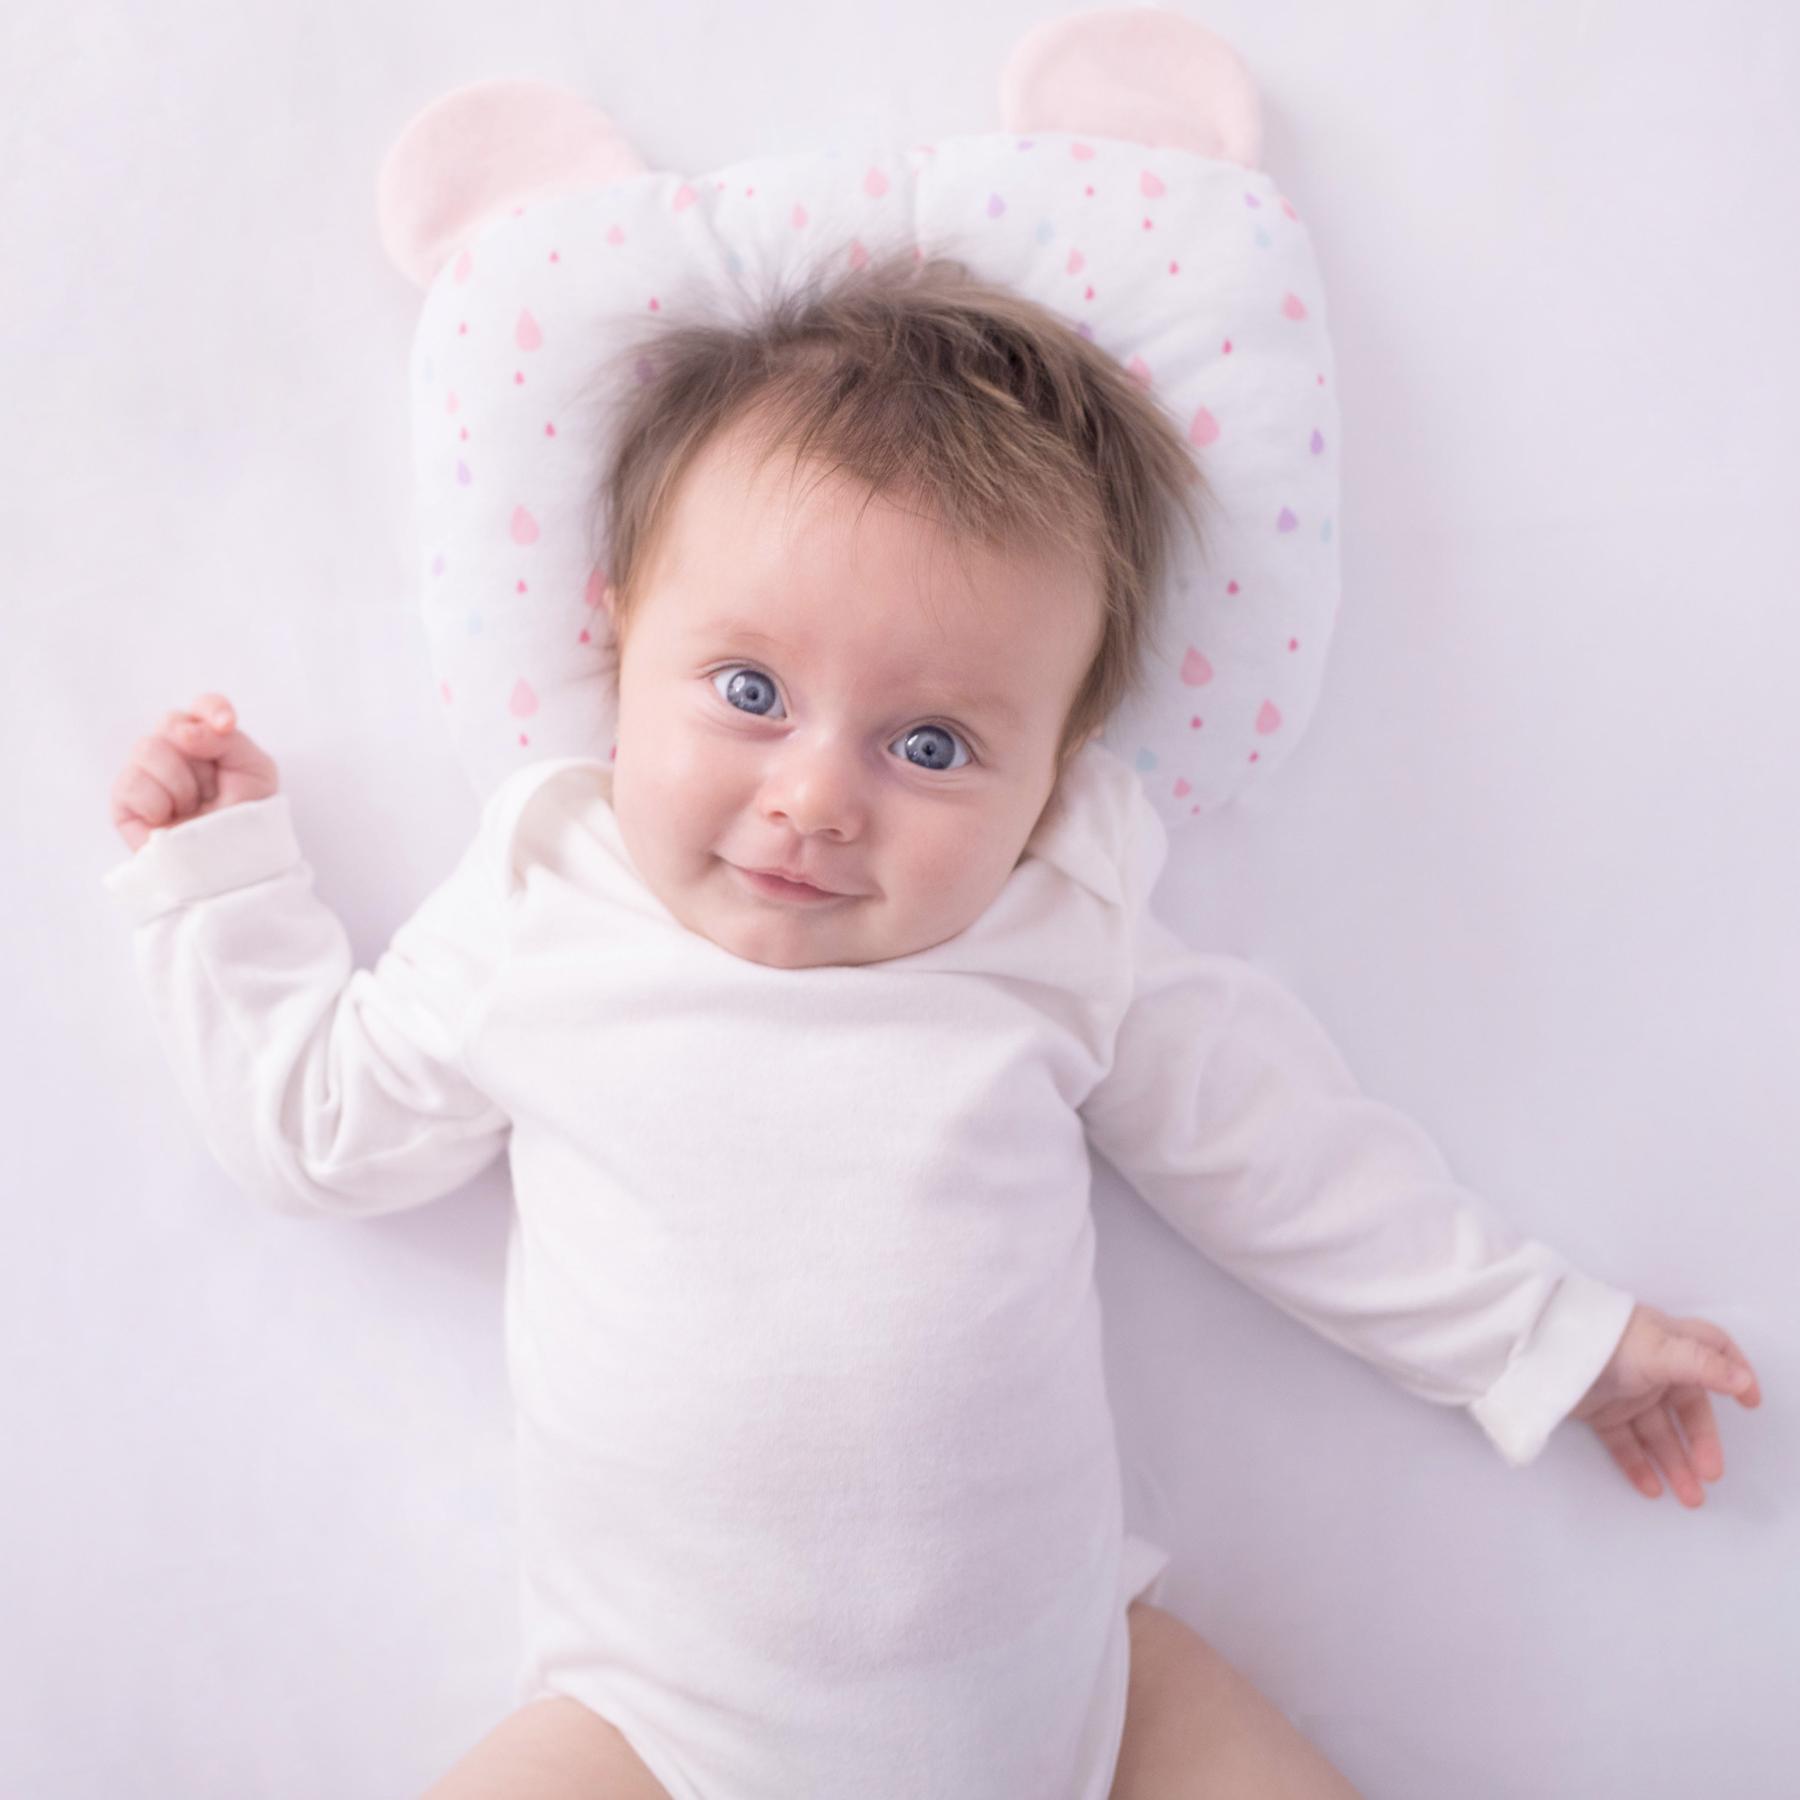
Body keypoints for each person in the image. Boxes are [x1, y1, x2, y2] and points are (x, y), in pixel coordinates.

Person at [103, 253, 1760, 1800]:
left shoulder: (1058, 929)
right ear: (617, 638)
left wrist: (1549, 1338)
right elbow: (316, 1124)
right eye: (747, 692)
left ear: (1058, 767)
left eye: (936, 747)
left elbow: (1294, 1169)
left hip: (1083, 1704)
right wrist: (221, 872)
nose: (816, 800)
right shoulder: (547, 902)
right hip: (658, 1729)